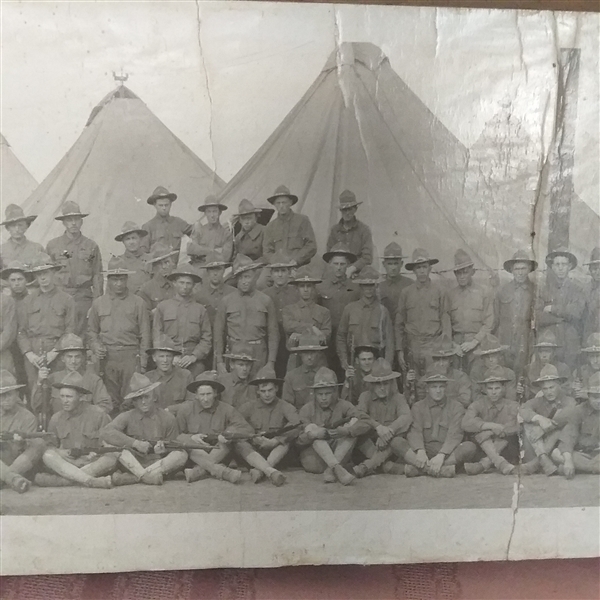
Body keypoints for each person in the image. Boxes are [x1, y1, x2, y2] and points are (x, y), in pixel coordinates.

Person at [100, 373, 188, 486]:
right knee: (111, 447)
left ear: (154, 397)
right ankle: (146, 476)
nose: (143, 402)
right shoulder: (127, 416)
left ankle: (135, 478)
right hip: (132, 463)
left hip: (158, 463)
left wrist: (163, 451)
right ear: (133, 401)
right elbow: (106, 432)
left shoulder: (167, 418)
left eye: (146, 397)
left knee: (181, 454)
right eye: (138, 398)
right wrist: (135, 443)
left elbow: (173, 444)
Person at [87, 257, 151, 411]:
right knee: (110, 399)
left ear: (127, 279)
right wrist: (96, 346)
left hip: (130, 355)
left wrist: (142, 362)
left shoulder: (138, 302)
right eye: (114, 279)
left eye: (122, 279)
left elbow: (145, 334)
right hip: (108, 357)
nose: (118, 284)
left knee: (130, 399)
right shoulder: (98, 303)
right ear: (108, 280)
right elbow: (91, 331)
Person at [36, 372, 115, 488]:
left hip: (91, 462)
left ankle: (64, 481)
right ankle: (90, 481)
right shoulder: (56, 418)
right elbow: (50, 446)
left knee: (111, 458)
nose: (65, 401)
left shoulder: (98, 414)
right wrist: (60, 452)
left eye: (69, 397)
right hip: (67, 463)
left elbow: (108, 446)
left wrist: (95, 455)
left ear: (81, 397)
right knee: (48, 455)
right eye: (62, 396)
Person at [176, 371, 253, 484]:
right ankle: (223, 472)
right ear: (196, 395)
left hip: (219, 453)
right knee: (189, 446)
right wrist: (192, 437)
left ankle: (198, 471)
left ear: (215, 393)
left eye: (209, 394)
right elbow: (176, 435)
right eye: (202, 395)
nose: (206, 399)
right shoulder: (185, 410)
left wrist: (228, 433)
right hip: (195, 455)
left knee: (226, 444)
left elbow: (247, 429)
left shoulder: (226, 409)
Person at [296, 367, 368, 485]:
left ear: (335, 392)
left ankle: (332, 469)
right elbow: (298, 440)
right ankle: (336, 468)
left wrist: (346, 430)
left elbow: (364, 421)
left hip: (338, 451)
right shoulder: (306, 409)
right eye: (320, 394)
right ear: (314, 393)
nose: (323, 398)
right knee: (313, 429)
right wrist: (312, 435)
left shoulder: (344, 405)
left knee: (353, 426)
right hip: (315, 459)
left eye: (328, 393)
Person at [17, 254, 75, 394]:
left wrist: (54, 353)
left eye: (46, 273)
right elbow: (21, 332)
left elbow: (70, 331)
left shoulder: (67, 299)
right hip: (33, 352)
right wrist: (29, 354)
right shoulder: (28, 301)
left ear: (54, 272)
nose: (42, 277)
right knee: (35, 390)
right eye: (39, 274)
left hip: (57, 352)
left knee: (58, 390)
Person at [405, 364, 476, 478]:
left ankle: (421, 469)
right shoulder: (418, 407)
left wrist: (441, 455)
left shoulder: (456, 407)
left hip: (446, 451)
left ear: (446, 388)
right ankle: (442, 470)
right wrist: (420, 450)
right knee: (397, 442)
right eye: (434, 387)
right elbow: (415, 431)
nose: (438, 391)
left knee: (469, 447)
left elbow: (455, 433)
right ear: (427, 389)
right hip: (425, 450)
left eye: (441, 387)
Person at [214, 254, 279, 377]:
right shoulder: (226, 301)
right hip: (234, 352)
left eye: (247, 277)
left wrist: (271, 362)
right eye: (240, 278)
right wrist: (219, 361)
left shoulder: (266, 300)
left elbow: (273, 334)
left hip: (258, 353)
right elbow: (218, 333)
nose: (244, 281)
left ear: (254, 277)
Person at [46, 201, 103, 336]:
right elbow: (47, 274)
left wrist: (96, 303)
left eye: (76, 219)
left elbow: (97, 275)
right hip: (60, 297)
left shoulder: (91, 245)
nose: (73, 223)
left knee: (84, 336)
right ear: (63, 222)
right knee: (59, 334)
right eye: (69, 220)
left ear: (81, 221)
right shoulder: (53, 245)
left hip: (84, 299)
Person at [237, 365, 301, 485]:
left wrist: (276, 440)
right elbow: (236, 423)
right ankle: (270, 471)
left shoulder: (285, 406)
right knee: (240, 443)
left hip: (276, 452)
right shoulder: (248, 406)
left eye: (270, 390)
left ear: (276, 388)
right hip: (255, 450)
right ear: (257, 391)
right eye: (263, 391)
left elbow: (297, 424)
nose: (267, 395)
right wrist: (252, 436)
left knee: (286, 442)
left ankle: (260, 470)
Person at [352, 359, 415, 477]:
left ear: (391, 383)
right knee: (358, 434)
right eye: (377, 384)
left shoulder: (398, 398)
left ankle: (367, 466)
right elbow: (358, 414)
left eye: (385, 383)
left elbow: (406, 417)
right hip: (369, 445)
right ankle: (389, 467)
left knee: (397, 439)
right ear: (372, 384)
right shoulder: (365, 396)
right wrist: (378, 427)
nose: (382, 388)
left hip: (390, 447)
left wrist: (388, 432)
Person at [395, 248, 451, 377]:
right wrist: (399, 350)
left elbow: (445, 321)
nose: (421, 271)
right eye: (418, 267)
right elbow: (399, 323)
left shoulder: (440, 291)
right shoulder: (406, 293)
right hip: (412, 346)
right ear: (413, 270)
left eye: (424, 267)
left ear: (430, 268)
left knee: (434, 381)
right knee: (412, 383)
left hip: (433, 346)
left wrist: (445, 349)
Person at [153, 263, 212, 378]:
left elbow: (207, 338)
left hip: (193, 361)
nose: (185, 287)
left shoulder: (200, 310)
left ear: (193, 285)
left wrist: (194, 356)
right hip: (169, 361)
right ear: (174, 283)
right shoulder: (163, 307)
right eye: (181, 282)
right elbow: (157, 335)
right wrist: (170, 356)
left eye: (188, 283)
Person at [32, 333, 112, 416]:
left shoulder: (94, 380)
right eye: (69, 357)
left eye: (77, 357)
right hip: (59, 425)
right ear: (63, 358)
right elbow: (38, 407)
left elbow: (105, 406)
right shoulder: (53, 379)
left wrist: (87, 418)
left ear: (82, 358)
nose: (73, 361)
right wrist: (39, 382)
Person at [519, 364, 577, 476]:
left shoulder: (568, 400)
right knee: (529, 423)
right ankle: (543, 459)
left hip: (559, 447)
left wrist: (546, 429)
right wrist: (539, 418)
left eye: (552, 387)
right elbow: (523, 409)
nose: (549, 392)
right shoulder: (538, 401)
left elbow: (570, 413)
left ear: (559, 385)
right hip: (538, 445)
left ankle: (538, 463)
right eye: (545, 389)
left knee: (564, 425)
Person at [461, 365, 519, 475]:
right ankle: (501, 464)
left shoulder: (512, 405)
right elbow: (465, 423)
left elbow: (515, 425)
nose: (493, 392)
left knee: (500, 437)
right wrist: (490, 425)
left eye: (497, 388)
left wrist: (490, 432)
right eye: (490, 388)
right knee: (479, 434)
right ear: (484, 390)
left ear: (503, 388)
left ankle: (484, 464)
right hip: (481, 450)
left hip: (507, 449)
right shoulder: (477, 405)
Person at [337, 266, 394, 371]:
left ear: (376, 286)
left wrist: (387, 366)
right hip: (354, 363)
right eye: (365, 285)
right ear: (360, 286)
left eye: (371, 285)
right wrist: (344, 362)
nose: (368, 289)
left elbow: (389, 342)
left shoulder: (382, 311)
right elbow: (341, 337)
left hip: (377, 363)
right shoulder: (350, 309)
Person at [535, 247, 585, 369]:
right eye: (557, 264)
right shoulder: (544, 289)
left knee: (568, 374)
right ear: (552, 267)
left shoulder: (577, 289)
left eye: (564, 264)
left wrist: (553, 309)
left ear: (570, 266)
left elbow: (576, 313)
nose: (560, 268)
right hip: (549, 342)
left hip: (570, 342)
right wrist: (562, 318)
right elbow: (538, 316)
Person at [447, 249, 494, 369]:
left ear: (472, 272)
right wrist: (453, 345)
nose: (462, 276)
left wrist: (474, 342)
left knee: (476, 379)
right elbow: (446, 324)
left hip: (477, 345)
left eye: (465, 272)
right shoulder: (450, 295)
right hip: (455, 346)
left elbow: (489, 323)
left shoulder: (483, 292)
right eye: (458, 273)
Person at [0, 371, 45, 493]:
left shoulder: (27, 417)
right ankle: (12, 479)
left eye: (9, 394)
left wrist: (20, 443)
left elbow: (30, 452)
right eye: (2, 395)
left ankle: (6, 477)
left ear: (17, 394)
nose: (6, 399)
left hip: (17, 462)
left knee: (39, 444)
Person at [495, 249, 537, 373]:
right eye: (517, 269)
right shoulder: (503, 290)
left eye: (523, 269)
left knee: (524, 373)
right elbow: (496, 319)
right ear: (512, 271)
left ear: (529, 269)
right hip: (506, 340)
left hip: (526, 341)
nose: (520, 273)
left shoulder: (535, 290)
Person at [555, 372, 600, 476]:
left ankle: (583, 468)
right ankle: (592, 468)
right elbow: (568, 438)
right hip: (582, 453)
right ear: (588, 396)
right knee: (557, 454)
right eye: (595, 397)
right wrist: (568, 461)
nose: (599, 401)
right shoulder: (579, 411)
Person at [263, 251, 300, 378]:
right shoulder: (264, 295)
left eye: (283, 271)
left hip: (290, 338)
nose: (279, 274)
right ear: (271, 273)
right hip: (269, 339)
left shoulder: (296, 294)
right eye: (276, 271)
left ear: (289, 273)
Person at [283, 265, 332, 360]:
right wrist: (312, 328)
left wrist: (300, 335)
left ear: (314, 288)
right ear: (296, 289)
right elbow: (288, 326)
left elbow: (325, 337)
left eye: (309, 286)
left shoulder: (324, 312)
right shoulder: (288, 310)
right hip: (295, 357)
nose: (305, 289)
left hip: (318, 358)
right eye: (302, 286)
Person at [262, 185, 316, 267]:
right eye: (278, 203)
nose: (281, 206)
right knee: (262, 280)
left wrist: (297, 260)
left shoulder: (302, 220)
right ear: (274, 205)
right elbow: (267, 251)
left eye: (284, 202)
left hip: (300, 266)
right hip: (277, 267)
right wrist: (276, 262)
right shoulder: (270, 226)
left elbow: (311, 245)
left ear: (290, 203)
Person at [413, 335, 472, 407]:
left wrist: (441, 402)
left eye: (444, 359)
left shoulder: (461, 377)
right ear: (433, 360)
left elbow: (465, 401)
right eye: (437, 359)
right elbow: (419, 400)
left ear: (451, 360)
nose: (441, 364)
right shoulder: (426, 379)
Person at [325, 190, 373, 278]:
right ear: (340, 210)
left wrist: (352, 268)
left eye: (350, 209)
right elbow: (329, 256)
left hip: (358, 274)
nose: (347, 213)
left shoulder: (364, 230)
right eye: (344, 209)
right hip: (337, 273)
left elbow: (367, 257)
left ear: (355, 209)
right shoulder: (334, 230)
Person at [1, 261, 32, 388]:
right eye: (12, 280)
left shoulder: (32, 299)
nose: (16, 283)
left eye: (20, 279)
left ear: (26, 280)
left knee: (28, 378)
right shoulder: (6, 301)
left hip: (27, 344)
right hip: (10, 347)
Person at [144, 334, 194, 412]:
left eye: (168, 356)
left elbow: (192, 403)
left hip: (178, 420)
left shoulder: (185, 376)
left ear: (173, 358)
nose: (165, 360)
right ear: (154, 358)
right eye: (161, 356)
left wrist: (170, 409)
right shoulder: (147, 378)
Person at [141, 186, 192, 254]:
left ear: (170, 204)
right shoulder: (148, 227)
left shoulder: (178, 222)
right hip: (158, 264)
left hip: (177, 263)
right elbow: (143, 253)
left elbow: (196, 232)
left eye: (166, 205)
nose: (164, 208)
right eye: (161, 205)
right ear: (154, 205)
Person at [282, 334, 327, 409]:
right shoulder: (291, 377)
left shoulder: (327, 375)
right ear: (300, 354)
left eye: (313, 353)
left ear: (318, 353)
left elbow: (334, 405)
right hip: (299, 418)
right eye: (306, 353)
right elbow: (287, 406)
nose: (309, 357)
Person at [523, 330, 572, 399]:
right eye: (541, 352)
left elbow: (567, 390)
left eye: (547, 351)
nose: (544, 355)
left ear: (554, 352)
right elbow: (527, 391)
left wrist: (544, 392)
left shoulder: (563, 369)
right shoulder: (530, 369)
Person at [193, 251, 235, 327]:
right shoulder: (199, 296)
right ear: (207, 271)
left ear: (224, 270)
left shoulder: (233, 294)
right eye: (212, 269)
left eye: (218, 269)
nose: (215, 273)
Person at [469, 334, 517, 402]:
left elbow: (511, 398)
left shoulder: (509, 374)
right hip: (483, 408)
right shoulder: (476, 373)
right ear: (482, 358)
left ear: (499, 356)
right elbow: (475, 396)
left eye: (494, 356)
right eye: (487, 357)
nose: (491, 359)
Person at [187, 196, 233, 264]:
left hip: (215, 270)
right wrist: (213, 251)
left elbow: (225, 258)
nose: (212, 215)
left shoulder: (226, 235)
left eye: (214, 211)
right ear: (205, 213)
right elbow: (190, 249)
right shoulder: (200, 231)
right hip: (199, 268)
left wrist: (200, 250)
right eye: (209, 212)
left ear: (220, 212)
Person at [136, 243, 178, 313]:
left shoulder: (179, 285)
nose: (164, 267)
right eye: (159, 264)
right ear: (153, 267)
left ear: (172, 263)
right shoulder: (146, 289)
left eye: (167, 262)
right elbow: (143, 317)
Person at [378, 242, 412, 324]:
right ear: (384, 264)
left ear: (401, 264)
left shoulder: (410, 284)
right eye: (390, 264)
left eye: (396, 263)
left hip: (405, 329)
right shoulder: (379, 287)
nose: (393, 268)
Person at [114, 221, 151, 294]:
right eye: (128, 239)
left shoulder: (150, 260)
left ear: (140, 239)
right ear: (123, 242)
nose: (131, 242)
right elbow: (111, 289)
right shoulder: (117, 262)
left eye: (134, 238)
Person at [220, 342, 258, 408]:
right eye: (241, 365)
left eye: (248, 365)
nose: (245, 369)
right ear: (232, 364)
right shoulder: (221, 381)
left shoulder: (255, 384)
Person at [573, 334, 600, 404]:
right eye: (592, 356)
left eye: (598, 356)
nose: (595, 360)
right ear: (588, 357)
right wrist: (575, 390)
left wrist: (588, 395)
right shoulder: (581, 371)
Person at [582, 248, 600, 343]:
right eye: (595, 269)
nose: (598, 272)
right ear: (590, 270)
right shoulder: (585, 290)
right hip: (589, 337)